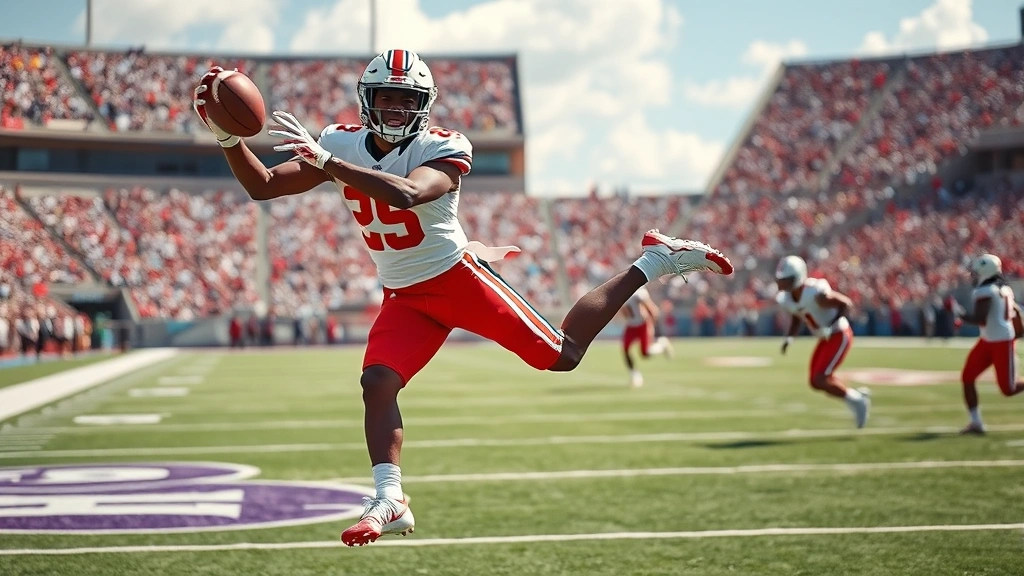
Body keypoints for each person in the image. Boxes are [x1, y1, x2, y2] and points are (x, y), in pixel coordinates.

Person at [193, 50, 734, 547]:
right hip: (404, 294)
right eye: (387, 97)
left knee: (562, 355)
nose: (398, 108)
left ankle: (655, 261)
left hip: (457, 278)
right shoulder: (339, 141)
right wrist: (227, 138)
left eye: (409, 99)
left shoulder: (442, 146)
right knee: (377, 381)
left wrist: (328, 165)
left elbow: (406, 195)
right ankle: (389, 497)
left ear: (425, 106)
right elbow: (263, 185)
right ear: (367, 100)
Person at [774, 255, 870, 428]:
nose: (782, 284)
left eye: (787, 280)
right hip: (825, 338)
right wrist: (789, 338)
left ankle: (857, 400)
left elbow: (845, 304)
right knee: (815, 381)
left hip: (839, 334)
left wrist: (830, 325)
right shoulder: (787, 299)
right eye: (781, 280)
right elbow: (797, 316)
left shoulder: (815, 293)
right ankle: (855, 397)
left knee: (820, 379)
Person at [956, 254, 1024, 435]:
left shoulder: (984, 291)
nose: (974, 275)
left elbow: (980, 318)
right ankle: (976, 423)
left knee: (1008, 389)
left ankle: (976, 422)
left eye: (976, 272)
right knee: (968, 376)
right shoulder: (1003, 288)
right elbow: (1016, 312)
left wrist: (959, 315)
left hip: (1001, 342)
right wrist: (1019, 331)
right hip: (989, 340)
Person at [620, 286, 673, 387]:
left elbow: (652, 310)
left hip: (642, 324)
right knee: (625, 349)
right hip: (631, 325)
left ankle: (662, 345)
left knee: (645, 353)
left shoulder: (639, 293)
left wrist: (652, 325)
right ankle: (635, 375)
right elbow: (624, 311)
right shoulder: (621, 294)